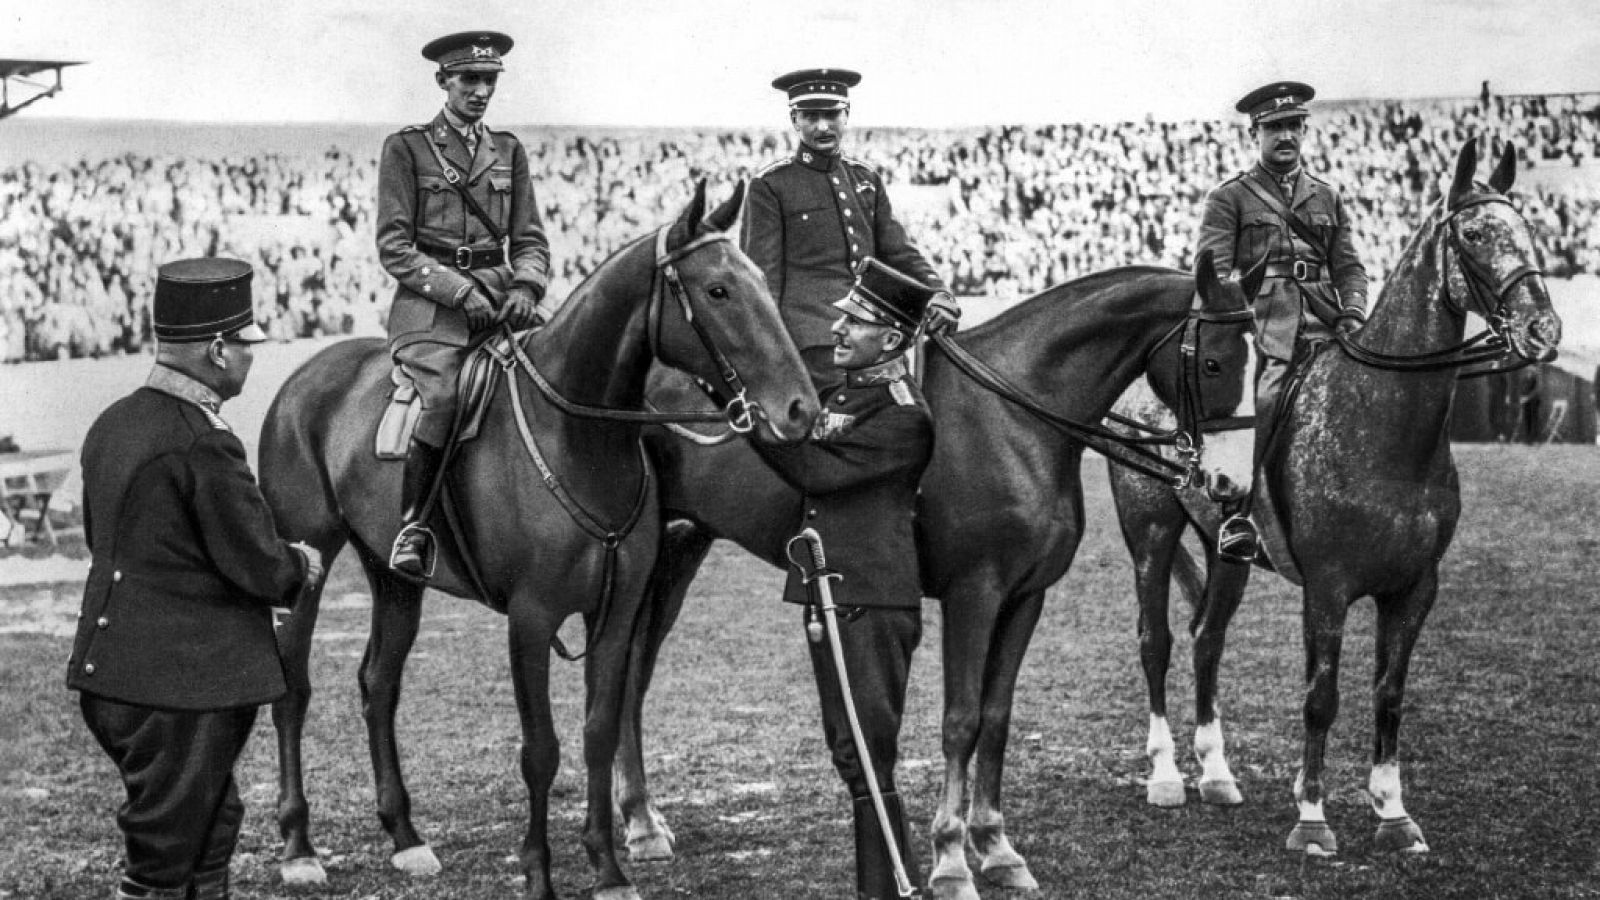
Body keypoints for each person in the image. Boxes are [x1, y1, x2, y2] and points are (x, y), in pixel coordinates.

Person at [67, 258, 324, 900]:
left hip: (120, 672)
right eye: (244, 345)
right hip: (180, 685)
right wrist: (300, 563)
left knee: (210, 827)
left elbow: (108, 540)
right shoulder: (202, 441)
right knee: (166, 856)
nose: (247, 359)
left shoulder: (114, 422)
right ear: (216, 348)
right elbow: (259, 565)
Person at [755, 257, 938, 899]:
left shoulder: (903, 414)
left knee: (867, 758)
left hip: (868, 598)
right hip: (836, 595)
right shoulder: (847, 393)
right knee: (852, 755)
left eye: (854, 322)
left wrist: (755, 424)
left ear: (890, 339)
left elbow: (819, 473)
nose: (837, 328)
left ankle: (893, 891)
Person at [376, 30, 553, 576]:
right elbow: (394, 247)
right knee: (446, 396)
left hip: (499, 303)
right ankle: (415, 527)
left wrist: (525, 288)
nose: (480, 91)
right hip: (431, 314)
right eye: (469, 80)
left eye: (489, 81)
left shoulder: (509, 150)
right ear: (443, 82)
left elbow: (530, 240)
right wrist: (458, 291)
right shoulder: (406, 149)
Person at [1196, 81, 1369, 561]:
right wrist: (1240, 317)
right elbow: (1213, 274)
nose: (1286, 136)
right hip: (1264, 329)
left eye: (1294, 125)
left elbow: (1349, 266)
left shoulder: (1326, 197)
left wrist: (1353, 311)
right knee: (1264, 401)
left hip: (1327, 321)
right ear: (1255, 134)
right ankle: (1239, 516)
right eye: (1274, 127)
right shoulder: (1229, 198)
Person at [743, 67, 960, 390]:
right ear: (794, 121)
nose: (822, 126)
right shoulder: (771, 186)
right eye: (810, 116)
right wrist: (768, 355)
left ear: (847, 115)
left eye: (831, 115)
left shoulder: (865, 179)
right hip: (814, 345)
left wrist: (939, 293)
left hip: (874, 337)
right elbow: (763, 281)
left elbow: (899, 252)